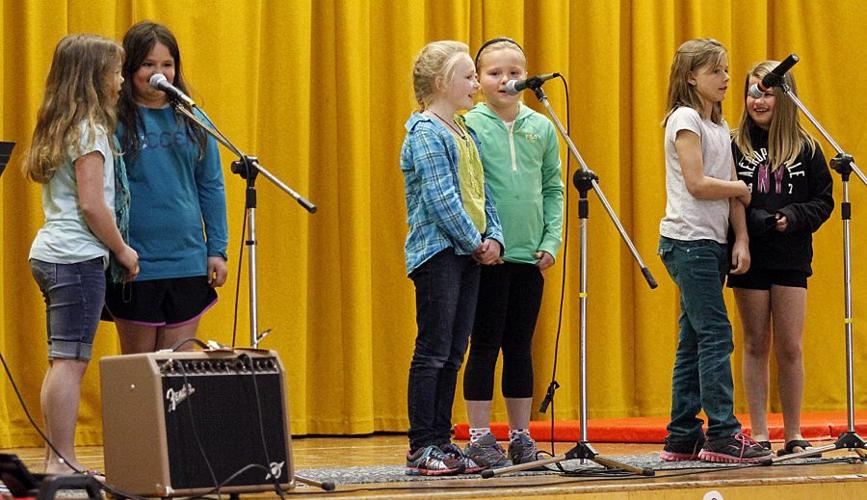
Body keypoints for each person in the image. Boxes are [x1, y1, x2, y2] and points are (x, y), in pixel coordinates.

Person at [24, 33, 139, 476]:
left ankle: (57, 458)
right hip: (75, 257)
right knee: (70, 362)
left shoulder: (62, 125)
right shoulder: (90, 130)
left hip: (53, 253)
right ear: (94, 78)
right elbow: (93, 205)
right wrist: (124, 251)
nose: (120, 81)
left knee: (63, 359)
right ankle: (61, 461)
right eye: (114, 72)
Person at [657, 38, 772, 463]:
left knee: (693, 339)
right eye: (715, 72)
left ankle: (682, 433)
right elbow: (698, 183)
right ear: (691, 77)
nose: (726, 79)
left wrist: (740, 239)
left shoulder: (720, 126)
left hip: (713, 242)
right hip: (688, 242)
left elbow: (729, 195)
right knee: (716, 334)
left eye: (726, 70)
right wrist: (741, 188)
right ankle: (723, 433)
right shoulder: (684, 118)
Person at [400, 40, 505, 476]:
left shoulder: (467, 132)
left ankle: (443, 440)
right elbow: (443, 200)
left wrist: (494, 236)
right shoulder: (425, 132)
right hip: (440, 254)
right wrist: (474, 241)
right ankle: (422, 444)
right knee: (433, 350)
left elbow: (484, 193)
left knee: (454, 351)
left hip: (467, 254)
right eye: (468, 77)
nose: (477, 85)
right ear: (442, 83)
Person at [460, 37, 563, 468]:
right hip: (488, 257)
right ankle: (480, 436)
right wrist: (481, 241)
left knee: (520, 346)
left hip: (528, 257)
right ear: (479, 80)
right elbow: (466, 188)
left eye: (515, 72)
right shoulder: (468, 126)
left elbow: (554, 187)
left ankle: (521, 436)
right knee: (484, 344)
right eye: (495, 73)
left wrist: (551, 241)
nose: (506, 80)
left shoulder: (541, 127)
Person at [104, 21, 228, 353]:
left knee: (180, 369)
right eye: (148, 64)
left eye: (167, 65)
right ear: (130, 69)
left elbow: (211, 185)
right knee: (139, 370)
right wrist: (117, 252)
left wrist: (217, 249)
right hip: (135, 262)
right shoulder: (113, 120)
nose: (159, 72)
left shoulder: (193, 117)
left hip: (187, 260)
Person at [729, 61, 833, 456]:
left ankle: (793, 433)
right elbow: (730, 195)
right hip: (751, 253)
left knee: (790, 346)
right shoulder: (736, 144)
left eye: (767, 91)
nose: (758, 100)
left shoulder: (806, 147)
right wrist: (757, 220)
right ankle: (758, 432)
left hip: (791, 255)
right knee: (755, 342)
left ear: (785, 96)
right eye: (752, 92)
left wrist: (793, 216)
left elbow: (822, 200)